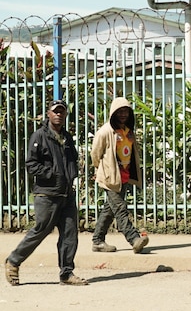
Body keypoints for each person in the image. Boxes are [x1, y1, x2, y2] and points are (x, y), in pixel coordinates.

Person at [4, 99, 88, 286]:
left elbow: (72, 159)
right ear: (48, 114)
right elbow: (31, 164)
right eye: (55, 111)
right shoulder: (39, 136)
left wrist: (72, 176)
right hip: (47, 194)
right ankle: (13, 261)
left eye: (62, 111)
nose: (58, 114)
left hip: (66, 194)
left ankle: (66, 273)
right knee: (41, 230)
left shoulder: (67, 137)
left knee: (69, 234)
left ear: (65, 115)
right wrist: (52, 175)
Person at [90, 97, 149, 254]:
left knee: (109, 210)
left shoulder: (128, 132)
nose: (123, 115)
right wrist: (100, 169)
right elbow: (95, 154)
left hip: (123, 176)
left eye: (126, 111)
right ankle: (134, 239)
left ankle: (98, 241)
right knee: (120, 209)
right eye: (120, 111)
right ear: (113, 113)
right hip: (110, 177)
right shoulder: (105, 132)